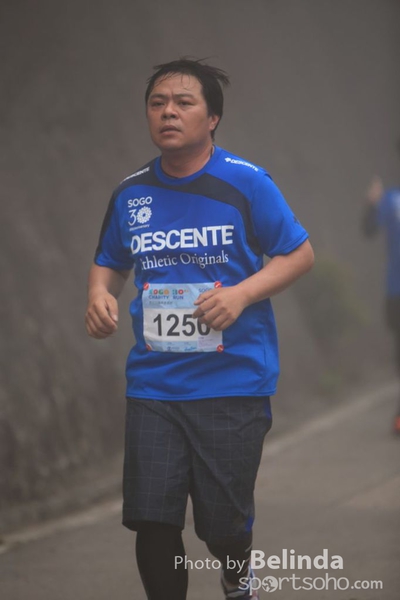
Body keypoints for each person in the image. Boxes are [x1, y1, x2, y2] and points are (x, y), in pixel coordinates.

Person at [85, 58, 314, 600]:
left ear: (212, 118)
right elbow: (110, 261)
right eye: (157, 103)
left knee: (222, 527)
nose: (168, 112)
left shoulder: (247, 182)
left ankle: (237, 573)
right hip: (154, 385)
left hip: (231, 382)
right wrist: (98, 294)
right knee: (152, 520)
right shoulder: (131, 194)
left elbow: (298, 254)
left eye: (183, 103)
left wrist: (241, 294)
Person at [362, 173, 400, 434]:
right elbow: (369, 229)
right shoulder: (391, 198)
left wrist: (372, 203)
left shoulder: (391, 199)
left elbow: (368, 229)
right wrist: (372, 203)